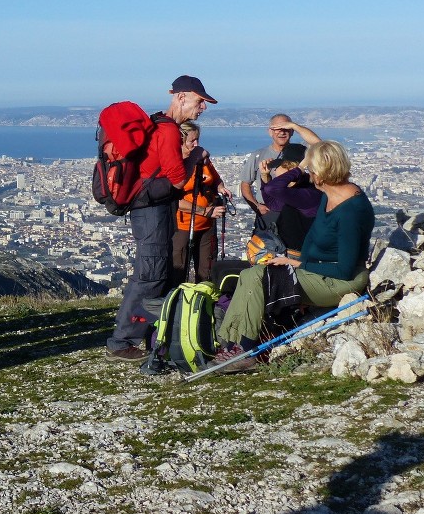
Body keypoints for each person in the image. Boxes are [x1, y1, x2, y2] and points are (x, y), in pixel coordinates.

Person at [214, 141, 374, 370]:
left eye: (311, 169)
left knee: (259, 275)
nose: (308, 174)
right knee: (250, 274)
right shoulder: (329, 195)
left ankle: (245, 350)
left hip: (339, 281)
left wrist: (297, 263)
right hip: (316, 269)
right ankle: (231, 344)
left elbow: (344, 270)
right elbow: (309, 239)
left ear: (321, 173)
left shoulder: (349, 210)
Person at [105, 75, 217, 362]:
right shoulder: (168, 131)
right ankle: (122, 342)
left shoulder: (159, 124)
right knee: (151, 273)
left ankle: (143, 334)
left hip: (153, 208)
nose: (202, 107)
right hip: (152, 211)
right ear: (180, 97)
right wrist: (196, 157)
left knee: (152, 271)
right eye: (199, 100)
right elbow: (178, 180)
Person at [171, 121, 230, 285]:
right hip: (183, 225)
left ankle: (203, 301)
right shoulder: (175, 164)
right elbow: (174, 199)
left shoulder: (202, 161)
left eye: (198, 140)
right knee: (178, 267)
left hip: (207, 225)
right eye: (192, 141)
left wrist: (221, 188)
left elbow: (215, 178)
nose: (197, 144)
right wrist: (204, 211)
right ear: (180, 141)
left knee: (207, 269)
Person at [239, 115, 321, 220]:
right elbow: (245, 184)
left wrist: (295, 126)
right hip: (269, 210)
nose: (282, 132)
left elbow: (321, 146)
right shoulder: (258, 155)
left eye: (286, 129)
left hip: (297, 211)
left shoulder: (301, 152)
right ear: (270, 132)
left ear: (292, 132)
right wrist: (257, 206)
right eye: (278, 129)